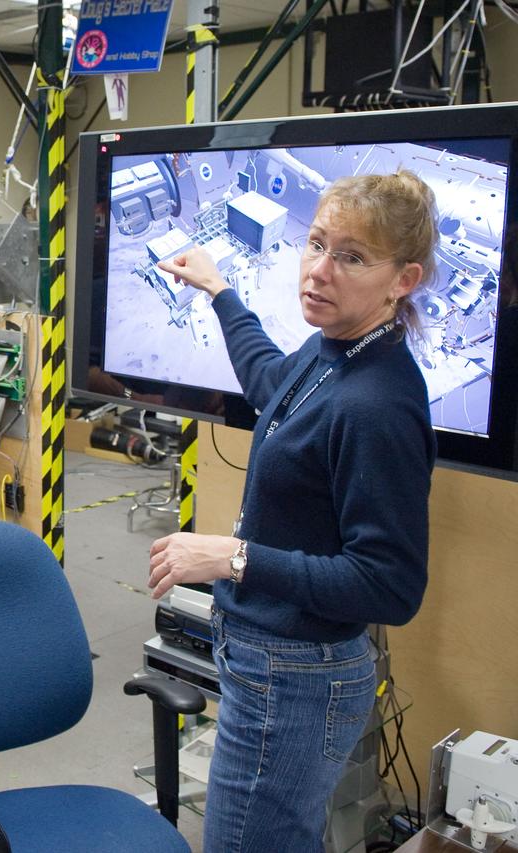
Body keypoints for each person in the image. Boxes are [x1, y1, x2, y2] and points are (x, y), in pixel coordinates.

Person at [146, 170, 438, 852]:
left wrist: (233, 557)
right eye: (317, 243)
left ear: (404, 280)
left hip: (297, 676)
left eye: (352, 257)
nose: (318, 270)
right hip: (272, 662)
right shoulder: (336, 348)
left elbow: (390, 584)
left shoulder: (375, 404)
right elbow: (272, 382)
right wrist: (220, 292)